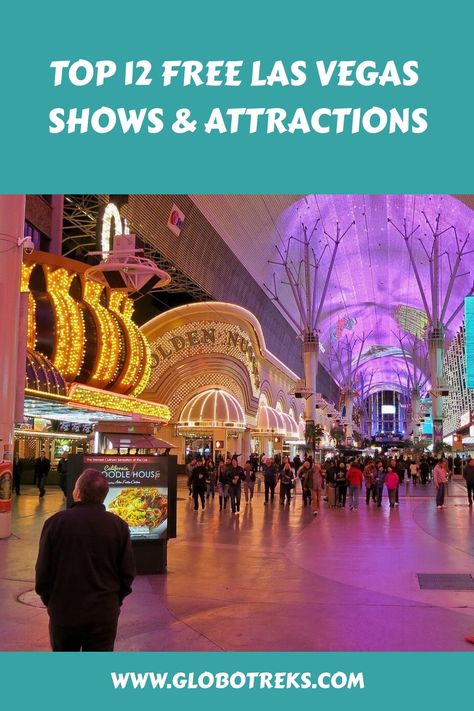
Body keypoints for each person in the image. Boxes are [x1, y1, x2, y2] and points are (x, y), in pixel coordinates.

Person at [35, 468, 135, 651]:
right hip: (103, 613)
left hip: (64, 611)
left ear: (77, 492)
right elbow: (127, 573)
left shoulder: (55, 523)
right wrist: (113, 601)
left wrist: (52, 601)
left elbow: (43, 572)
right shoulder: (119, 526)